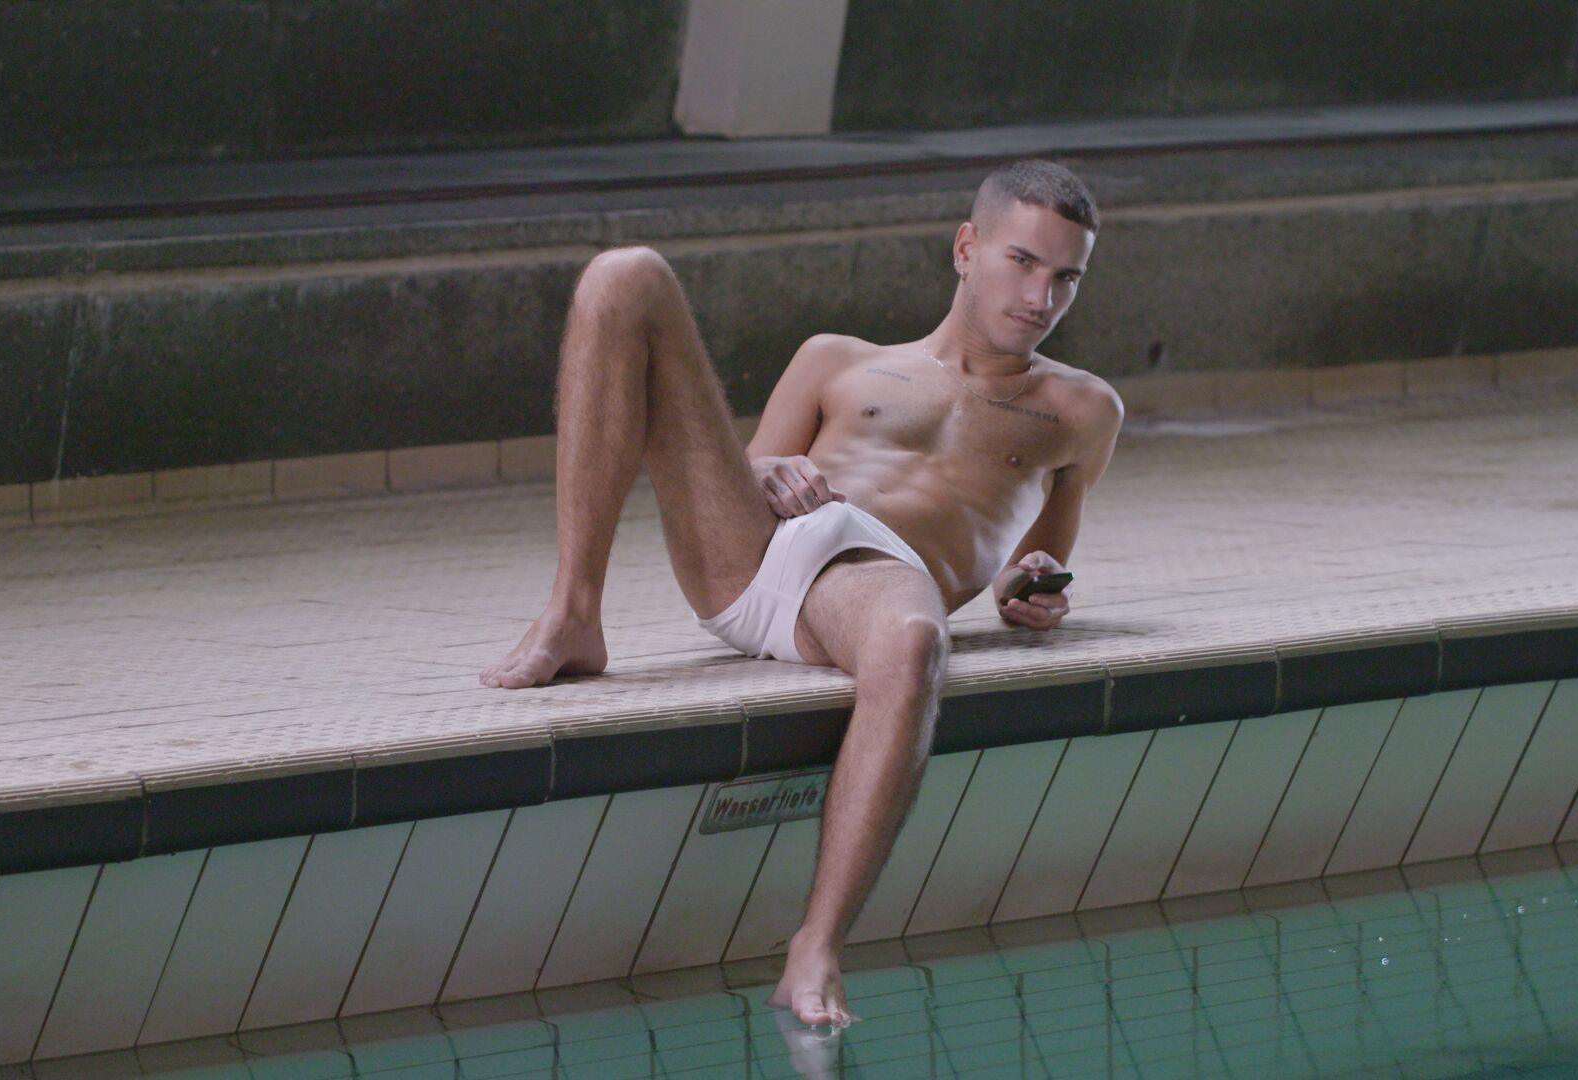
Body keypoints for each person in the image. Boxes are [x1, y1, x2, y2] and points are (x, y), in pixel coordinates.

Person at [480, 159, 1123, 1028]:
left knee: (913, 642)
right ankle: (574, 613)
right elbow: (745, 471)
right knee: (624, 275)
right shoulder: (837, 360)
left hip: (875, 579)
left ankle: (815, 948)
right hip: (758, 551)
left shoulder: (1082, 410)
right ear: (967, 248)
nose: (1041, 297)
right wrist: (768, 469)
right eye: (1023, 262)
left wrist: (1029, 589)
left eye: (1066, 277)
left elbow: (1035, 557)